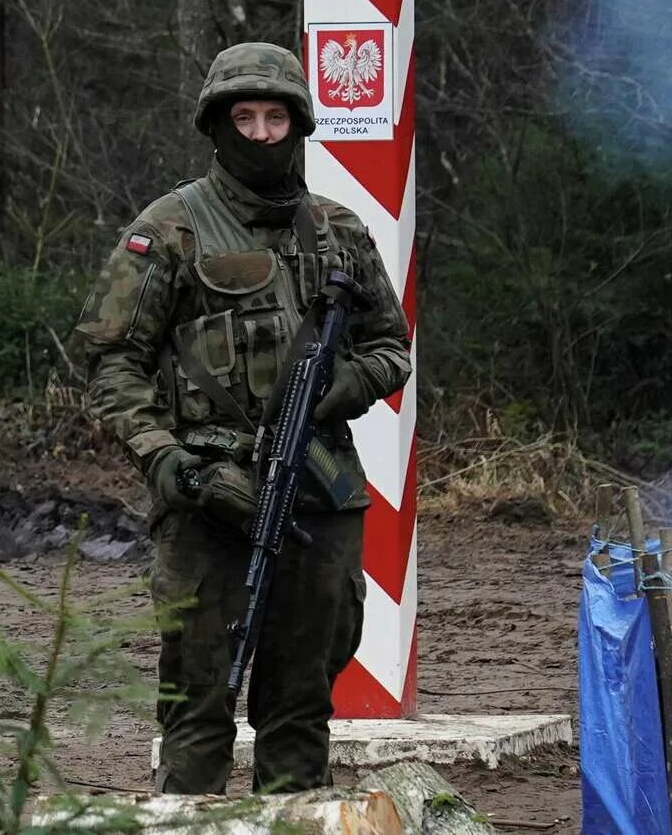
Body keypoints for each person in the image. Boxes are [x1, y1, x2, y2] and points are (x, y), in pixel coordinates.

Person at [69, 41, 410, 795]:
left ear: (298, 123)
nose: (261, 132)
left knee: (299, 706)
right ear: (217, 123)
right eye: (244, 116)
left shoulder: (339, 231)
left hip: (318, 494)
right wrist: (173, 464)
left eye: (275, 115)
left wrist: (338, 386)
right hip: (205, 498)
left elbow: (392, 346)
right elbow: (110, 363)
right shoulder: (169, 229)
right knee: (198, 705)